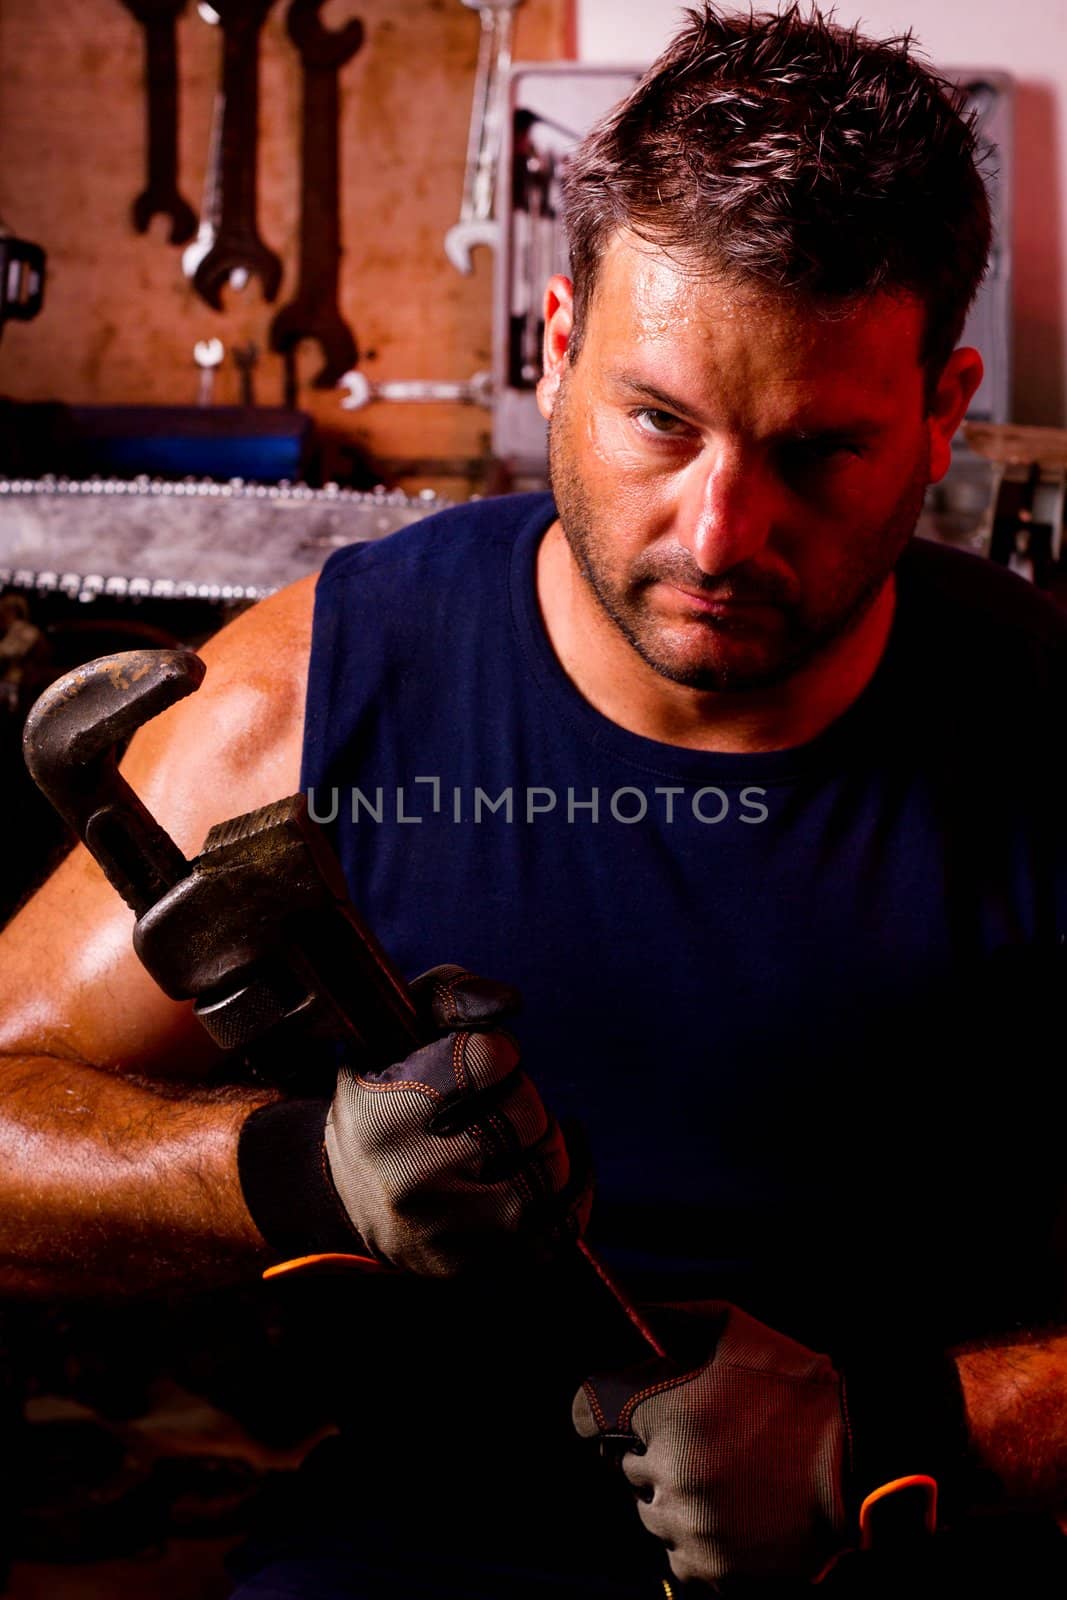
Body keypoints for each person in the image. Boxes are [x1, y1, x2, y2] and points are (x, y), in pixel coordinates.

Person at [1, 4, 1066, 1594]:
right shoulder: (320, 693)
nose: (721, 533)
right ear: (559, 344)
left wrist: (908, 1430)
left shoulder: (1044, 728)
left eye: (820, 450)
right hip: (422, 1541)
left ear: (941, 409)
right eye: (662, 421)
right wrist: (296, 1173)